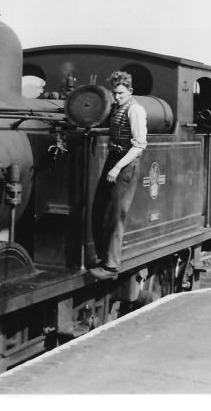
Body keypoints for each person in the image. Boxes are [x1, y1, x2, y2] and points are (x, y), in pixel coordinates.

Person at [89, 71, 147, 279]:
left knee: (115, 214)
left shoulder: (135, 110)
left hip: (126, 163)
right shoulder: (117, 108)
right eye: (115, 93)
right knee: (99, 208)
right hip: (113, 159)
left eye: (121, 93)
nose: (117, 97)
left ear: (130, 91)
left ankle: (111, 265)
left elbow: (139, 145)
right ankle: (103, 256)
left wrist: (117, 167)